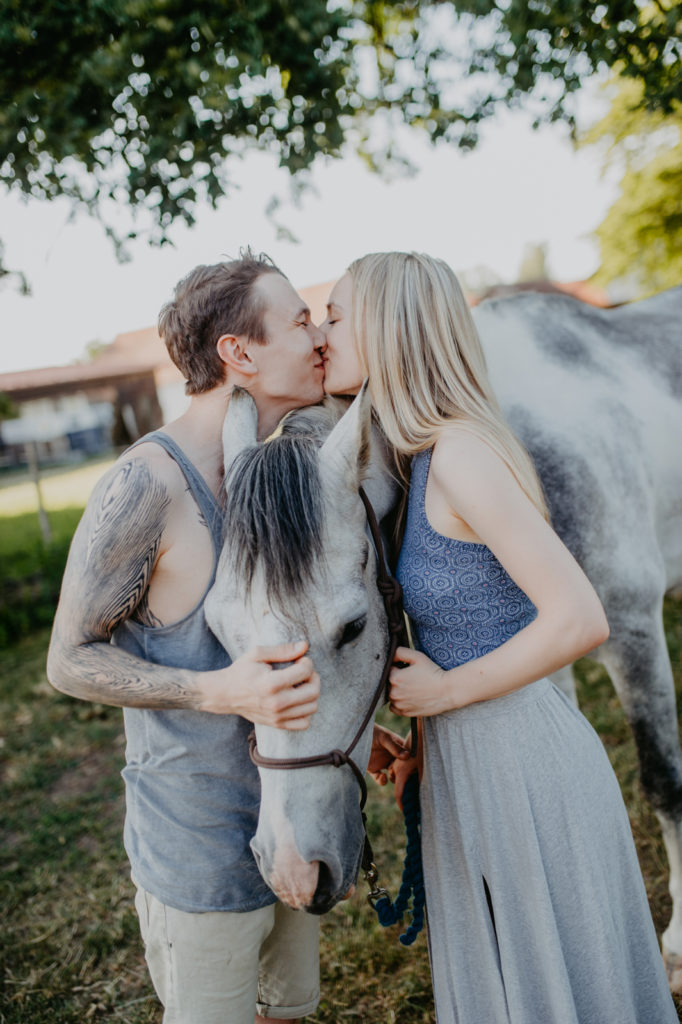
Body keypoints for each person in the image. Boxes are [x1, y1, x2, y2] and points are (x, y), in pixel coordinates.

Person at [320, 251, 678, 1023]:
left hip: (527, 771)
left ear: (388, 331)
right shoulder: (419, 457)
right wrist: (426, 737)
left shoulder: (463, 456)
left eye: (337, 314)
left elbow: (580, 618)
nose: (323, 331)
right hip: (467, 760)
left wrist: (446, 691)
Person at [47, 251, 329, 1024]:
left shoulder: (278, 468)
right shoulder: (147, 486)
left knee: (291, 1012)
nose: (321, 337)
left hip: (294, 825)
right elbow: (68, 661)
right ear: (238, 355)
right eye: (301, 322)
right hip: (200, 850)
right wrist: (214, 690)